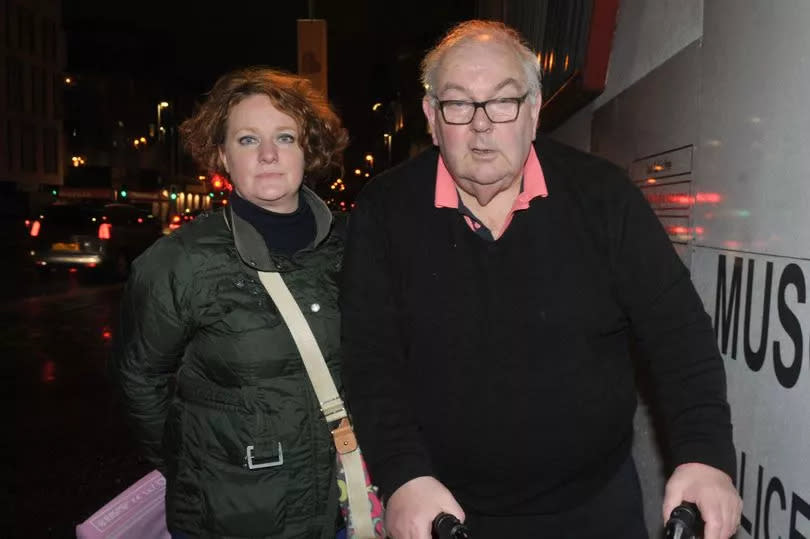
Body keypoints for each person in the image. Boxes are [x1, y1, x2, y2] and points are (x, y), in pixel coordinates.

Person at [340, 20, 742, 539]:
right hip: (442, 512)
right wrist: (402, 478)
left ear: (533, 112)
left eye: (503, 102)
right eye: (458, 104)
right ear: (431, 118)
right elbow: (370, 361)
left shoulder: (603, 197)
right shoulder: (384, 211)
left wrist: (706, 456)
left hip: (595, 509)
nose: (481, 125)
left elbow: (678, 334)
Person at [111, 67, 348, 538]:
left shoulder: (352, 246)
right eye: (246, 140)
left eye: (285, 136)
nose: (267, 155)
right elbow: (139, 379)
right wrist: (197, 466)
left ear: (309, 149)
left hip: (344, 505)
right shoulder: (179, 262)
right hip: (231, 515)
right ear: (221, 153)